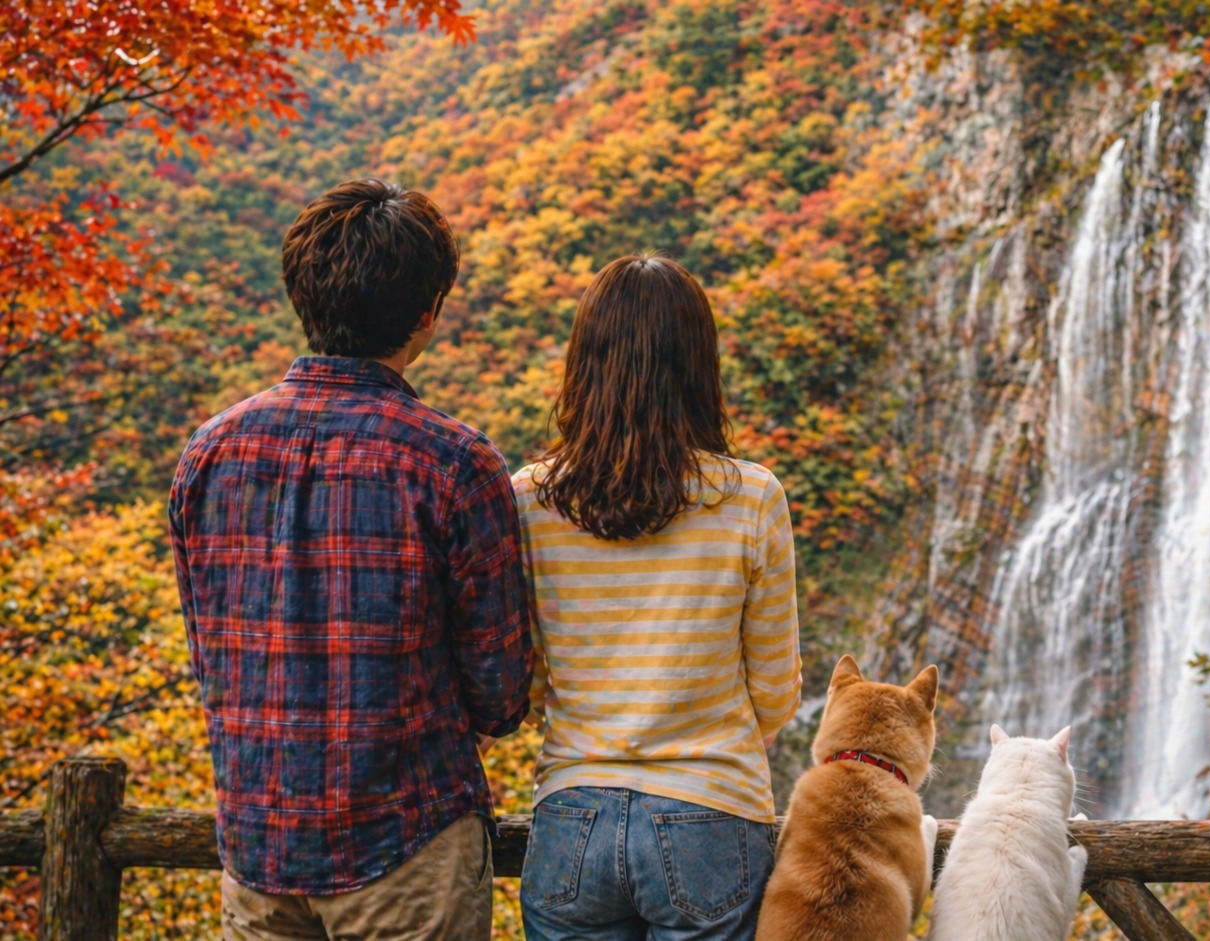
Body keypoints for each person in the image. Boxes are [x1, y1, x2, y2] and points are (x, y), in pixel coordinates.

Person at [168, 178, 535, 940]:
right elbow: (500, 696)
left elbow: (213, 660)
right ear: (427, 311)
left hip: (257, 846)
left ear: (302, 296)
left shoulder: (208, 453)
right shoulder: (454, 463)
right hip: (406, 848)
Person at [516, 254, 803, 941]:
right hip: (712, 812)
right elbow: (776, 695)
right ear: (700, 366)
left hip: (571, 814)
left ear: (583, 364)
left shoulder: (527, 497)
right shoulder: (752, 496)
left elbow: (521, 687)